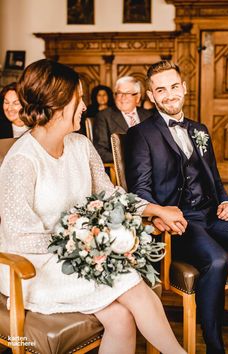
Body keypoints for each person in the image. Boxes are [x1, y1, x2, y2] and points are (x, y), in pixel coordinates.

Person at [0, 59, 186, 354]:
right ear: (59, 106)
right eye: (79, 98)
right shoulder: (22, 161)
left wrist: (155, 210)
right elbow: (19, 237)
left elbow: (111, 195)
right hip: (34, 268)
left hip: (81, 253)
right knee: (129, 281)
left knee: (122, 318)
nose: (85, 105)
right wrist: (85, 241)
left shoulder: (81, 146)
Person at [125, 60, 228, 354]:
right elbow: (140, 191)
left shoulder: (200, 130)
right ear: (151, 96)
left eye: (174, 87)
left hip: (212, 214)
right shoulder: (141, 135)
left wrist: (227, 201)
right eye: (161, 90)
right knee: (216, 260)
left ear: (184, 88)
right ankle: (214, 346)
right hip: (180, 222)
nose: (169, 95)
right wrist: (159, 214)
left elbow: (214, 179)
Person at [93, 76, 152, 163]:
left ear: (138, 97)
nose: (123, 97)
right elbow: (100, 151)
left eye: (128, 93)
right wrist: (129, 159)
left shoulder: (148, 115)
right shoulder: (104, 116)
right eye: (119, 93)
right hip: (122, 170)